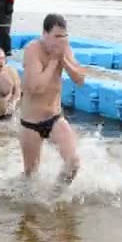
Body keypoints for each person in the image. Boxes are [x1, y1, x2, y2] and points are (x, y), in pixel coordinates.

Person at [19, 13, 86, 185]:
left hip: (54, 117)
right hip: (31, 123)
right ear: (45, 33)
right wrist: (54, 62)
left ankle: (56, 197)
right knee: (30, 175)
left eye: (64, 36)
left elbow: (80, 80)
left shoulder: (65, 49)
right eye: (56, 36)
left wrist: (64, 60)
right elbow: (36, 87)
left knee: (73, 163)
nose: (60, 41)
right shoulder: (32, 50)